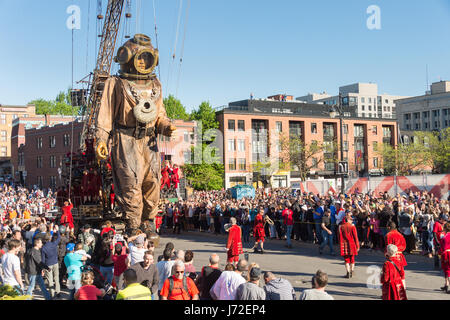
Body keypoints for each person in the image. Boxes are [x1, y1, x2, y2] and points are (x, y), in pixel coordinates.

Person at [95, 34, 176, 232]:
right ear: (127, 58)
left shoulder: (156, 85)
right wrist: (101, 139)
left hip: (149, 140)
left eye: (146, 58)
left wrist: (167, 126)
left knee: (152, 182)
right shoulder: (115, 83)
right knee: (130, 182)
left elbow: (159, 114)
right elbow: (105, 114)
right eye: (139, 57)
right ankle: (133, 226)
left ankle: (148, 222)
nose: (143, 62)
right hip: (125, 138)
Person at [385, 221, 407, 287]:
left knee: (391, 273)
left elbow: (388, 247)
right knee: (401, 273)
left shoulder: (388, 235)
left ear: (389, 227)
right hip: (400, 256)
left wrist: (387, 254)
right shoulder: (400, 235)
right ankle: (403, 287)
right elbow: (404, 246)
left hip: (391, 255)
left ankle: (392, 288)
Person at [41, 226, 61, 298]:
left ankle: (52, 294)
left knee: (50, 280)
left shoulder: (43, 248)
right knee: (56, 278)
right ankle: (58, 292)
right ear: (50, 238)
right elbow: (59, 238)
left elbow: (43, 260)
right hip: (55, 262)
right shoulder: (54, 244)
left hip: (48, 264)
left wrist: (43, 268)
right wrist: (58, 231)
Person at [339, 214, 359, 278]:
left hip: (344, 244)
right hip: (352, 244)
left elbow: (339, 236)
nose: (352, 221)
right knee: (352, 258)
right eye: (351, 220)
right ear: (347, 220)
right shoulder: (352, 227)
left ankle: (348, 272)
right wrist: (357, 246)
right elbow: (356, 237)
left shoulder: (341, 226)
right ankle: (351, 271)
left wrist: (340, 244)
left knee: (346, 259)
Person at [439, 222, 450, 293]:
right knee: (447, 271)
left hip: (447, 254)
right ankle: (446, 284)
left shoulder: (445, 237)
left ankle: (447, 285)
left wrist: (439, 252)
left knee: (447, 270)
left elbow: (443, 248)